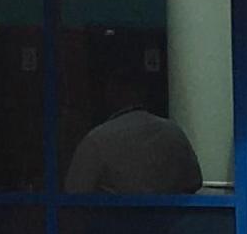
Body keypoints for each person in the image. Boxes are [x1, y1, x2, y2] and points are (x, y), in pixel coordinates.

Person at [63, 60, 204, 194]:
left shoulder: (96, 140)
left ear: (111, 94)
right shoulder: (174, 133)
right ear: (143, 93)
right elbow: (194, 181)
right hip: (170, 219)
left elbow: (75, 191)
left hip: (111, 218)